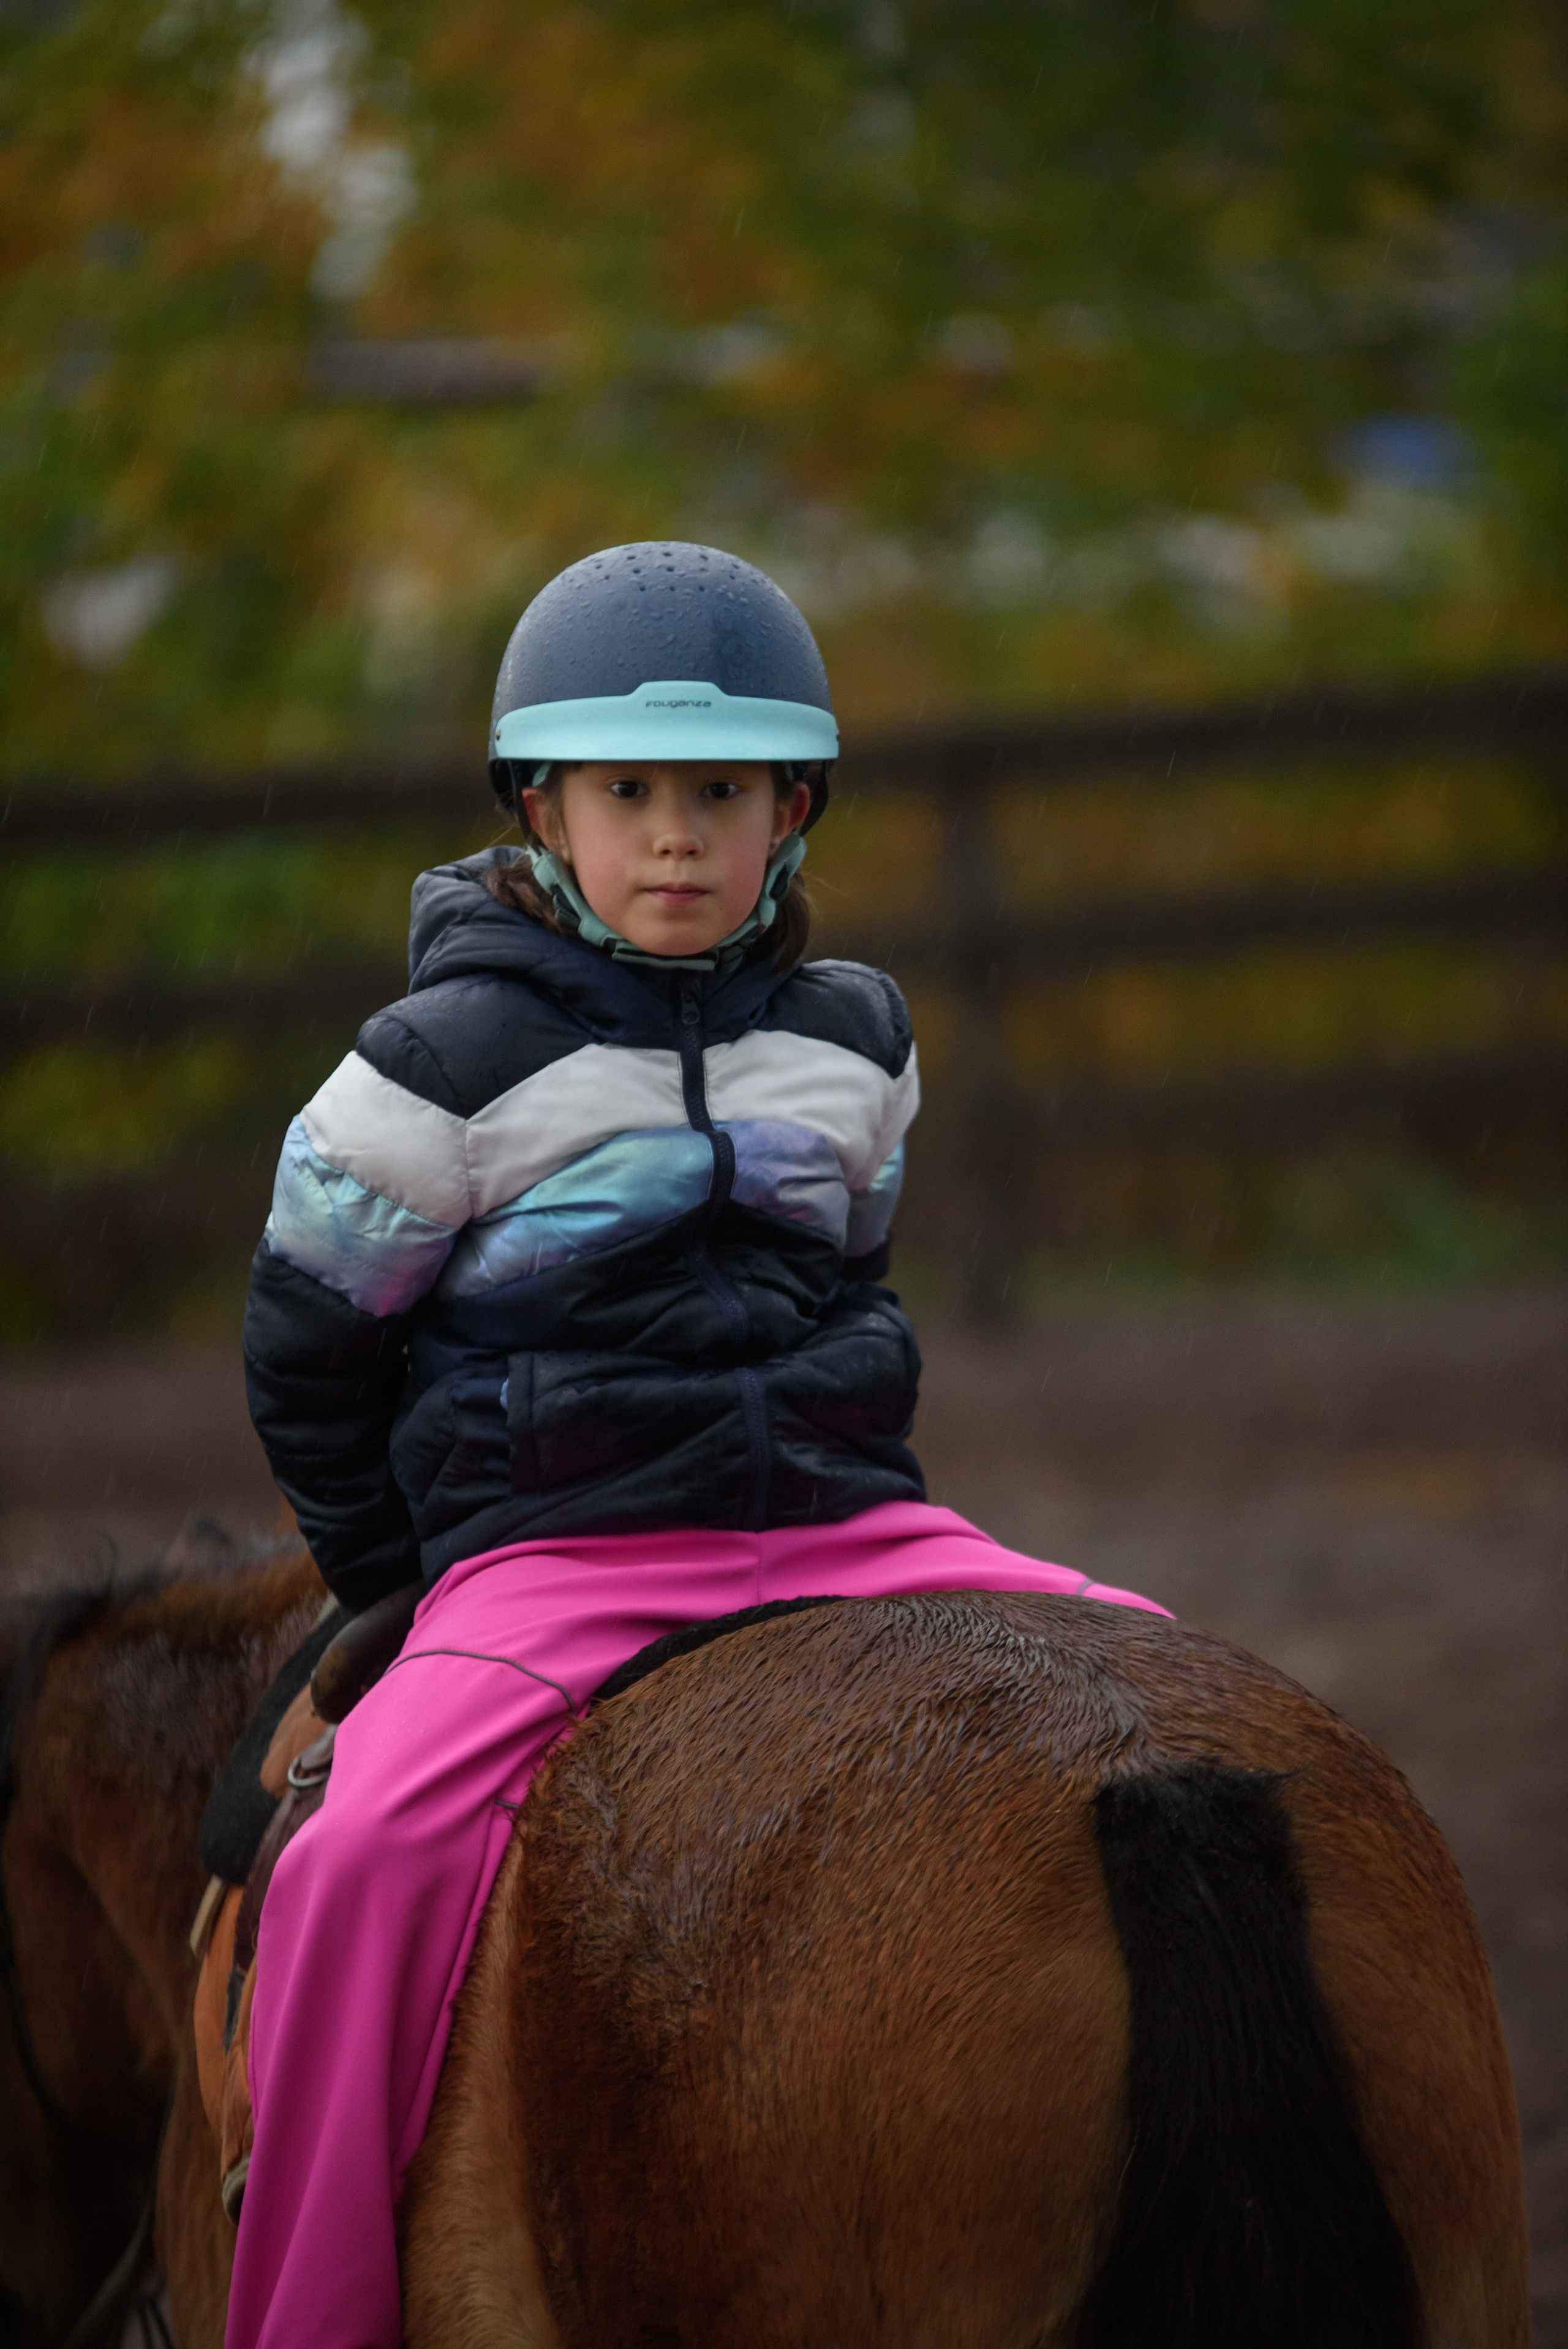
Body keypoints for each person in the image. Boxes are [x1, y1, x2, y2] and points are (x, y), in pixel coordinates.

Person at [230, 541, 1166, 2349]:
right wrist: (398, 1576)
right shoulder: (434, 1070)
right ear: (544, 809)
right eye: (629, 793)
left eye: (720, 793)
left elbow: (848, 1276)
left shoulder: (857, 1038)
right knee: (356, 1860)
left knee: (1155, 1665)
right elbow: (305, 1345)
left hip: (855, 1529)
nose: (675, 835)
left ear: (790, 811)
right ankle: (309, 2311)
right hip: (558, 1556)